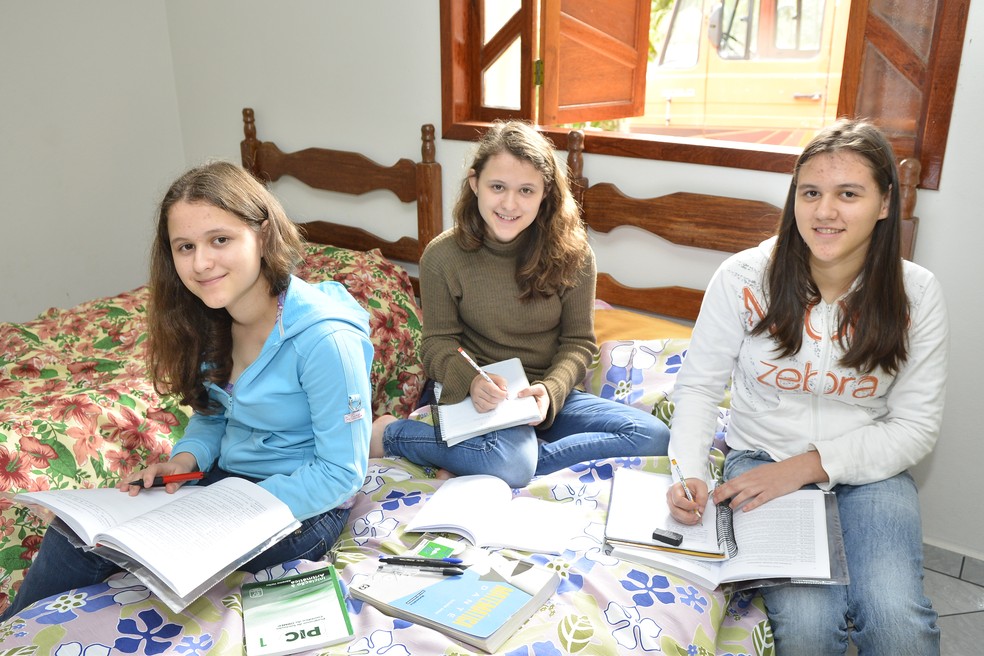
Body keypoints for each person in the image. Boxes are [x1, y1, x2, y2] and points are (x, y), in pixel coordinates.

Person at [1, 161, 373, 618]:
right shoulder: (210, 320)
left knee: (154, 561)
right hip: (228, 487)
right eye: (185, 247)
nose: (201, 263)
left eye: (221, 239)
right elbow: (213, 413)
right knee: (74, 535)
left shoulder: (325, 340)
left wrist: (230, 509)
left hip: (303, 509)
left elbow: (340, 474)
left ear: (263, 235)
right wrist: (182, 462)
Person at [666, 119, 947, 654]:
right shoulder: (743, 279)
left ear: (885, 204)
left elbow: (914, 427)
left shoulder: (916, 294)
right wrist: (690, 472)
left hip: (874, 471)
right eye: (811, 192)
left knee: (897, 622)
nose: (825, 211)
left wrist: (803, 467)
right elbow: (700, 388)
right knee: (810, 628)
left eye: (849, 194)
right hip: (758, 457)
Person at [371, 121, 669, 488]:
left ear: (545, 193)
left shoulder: (575, 255)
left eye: (526, 190)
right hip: (478, 395)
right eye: (498, 187)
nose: (509, 204)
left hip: (541, 394)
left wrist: (550, 391)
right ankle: (390, 434)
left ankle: (481, 458)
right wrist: (470, 381)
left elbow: (578, 343)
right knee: (511, 465)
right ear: (474, 183)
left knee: (654, 436)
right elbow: (436, 345)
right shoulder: (442, 256)